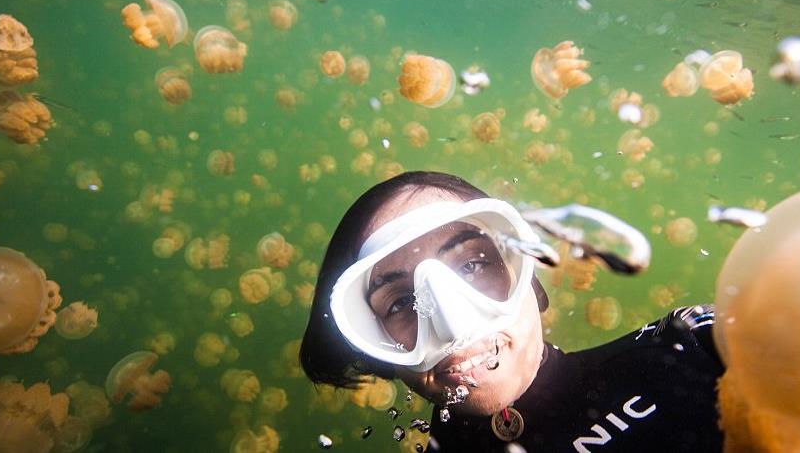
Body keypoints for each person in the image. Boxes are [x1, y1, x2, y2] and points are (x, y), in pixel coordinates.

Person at [300, 171, 725, 452]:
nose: (453, 326)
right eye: (400, 302)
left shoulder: (697, 349)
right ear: (377, 347)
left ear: (529, 278)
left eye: (472, 265)